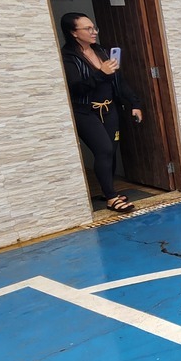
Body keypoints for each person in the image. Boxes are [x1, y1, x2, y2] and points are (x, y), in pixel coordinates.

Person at [59, 12, 143, 212]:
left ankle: (108, 191)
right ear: (73, 33)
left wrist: (135, 103)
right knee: (103, 150)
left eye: (94, 27)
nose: (93, 31)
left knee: (111, 151)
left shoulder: (102, 52)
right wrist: (100, 73)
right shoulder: (68, 57)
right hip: (86, 112)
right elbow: (76, 88)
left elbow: (118, 82)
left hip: (110, 109)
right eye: (87, 29)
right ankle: (112, 198)